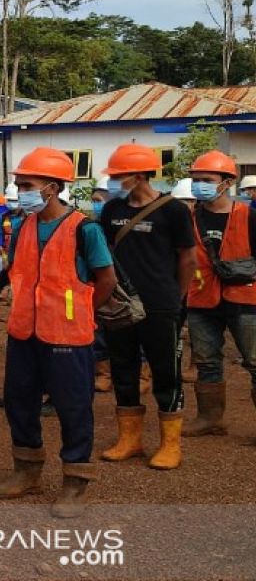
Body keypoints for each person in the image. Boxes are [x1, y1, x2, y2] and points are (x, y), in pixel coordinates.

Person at [0, 149, 117, 518]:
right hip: (24, 332)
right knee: (19, 402)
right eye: (18, 183)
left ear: (52, 187)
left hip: (67, 335)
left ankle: (76, 482)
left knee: (74, 408)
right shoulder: (23, 226)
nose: (19, 190)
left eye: (26, 184)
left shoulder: (84, 229)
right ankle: (26, 471)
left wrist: (83, 312)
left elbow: (106, 279)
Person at [98, 143, 195, 471]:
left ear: (139, 175)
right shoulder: (111, 211)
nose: (113, 181)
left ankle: (170, 444)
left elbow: (187, 258)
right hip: (121, 306)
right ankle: (130, 439)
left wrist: (177, 301)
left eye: (117, 175)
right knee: (123, 370)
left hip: (160, 306)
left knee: (167, 373)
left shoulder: (175, 211)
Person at [184, 151, 256, 437]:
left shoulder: (249, 216)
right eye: (196, 179)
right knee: (206, 361)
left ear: (227, 183)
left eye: (206, 179)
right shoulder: (188, 217)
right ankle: (210, 418)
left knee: (254, 361)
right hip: (202, 298)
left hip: (246, 299)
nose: (199, 184)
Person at [89, 177, 114, 394]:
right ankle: (103, 373)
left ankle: (141, 373)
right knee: (99, 331)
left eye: (98, 200)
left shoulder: (120, 224)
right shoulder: (93, 226)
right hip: (99, 283)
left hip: (124, 286)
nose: (94, 204)